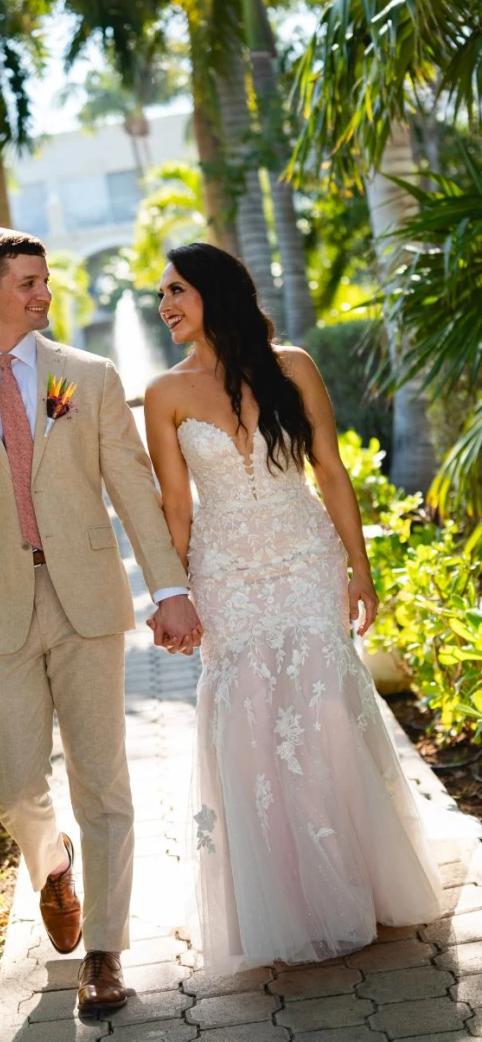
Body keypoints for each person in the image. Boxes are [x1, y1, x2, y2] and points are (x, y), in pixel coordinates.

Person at [0, 228, 202, 1013]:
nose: (44, 294)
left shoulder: (87, 376)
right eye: (29, 282)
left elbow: (133, 488)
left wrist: (168, 587)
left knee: (103, 782)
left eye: (46, 281)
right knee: (12, 784)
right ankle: (51, 863)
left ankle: (103, 951)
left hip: (87, 601)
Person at [144, 241, 442, 973]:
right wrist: (171, 598)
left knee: (323, 713)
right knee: (247, 716)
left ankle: (355, 884)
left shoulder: (293, 365)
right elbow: (174, 507)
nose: (165, 307)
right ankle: (276, 901)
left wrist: (358, 572)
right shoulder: (164, 394)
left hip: (306, 559)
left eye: (176, 290)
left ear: (215, 292)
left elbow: (330, 471)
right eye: (160, 296)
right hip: (226, 572)